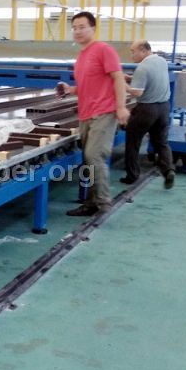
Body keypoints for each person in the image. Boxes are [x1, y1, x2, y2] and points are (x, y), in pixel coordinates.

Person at [58, 11, 130, 216]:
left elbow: (118, 78)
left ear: (93, 28)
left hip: (104, 112)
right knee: (88, 158)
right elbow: (87, 85)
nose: (77, 31)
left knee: (94, 155)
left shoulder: (104, 50)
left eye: (82, 27)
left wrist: (121, 107)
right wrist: (70, 89)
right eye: (74, 28)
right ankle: (90, 203)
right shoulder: (81, 57)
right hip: (86, 114)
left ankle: (104, 202)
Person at [121, 40, 175, 189]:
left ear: (143, 51)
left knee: (133, 141)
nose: (132, 55)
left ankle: (132, 176)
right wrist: (132, 78)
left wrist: (122, 83)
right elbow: (152, 79)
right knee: (161, 142)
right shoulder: (162, 61)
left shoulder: (142, 67)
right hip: (164, 108)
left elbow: (137, 92)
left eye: (133, 51)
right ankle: (168, 170)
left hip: (146, 110)